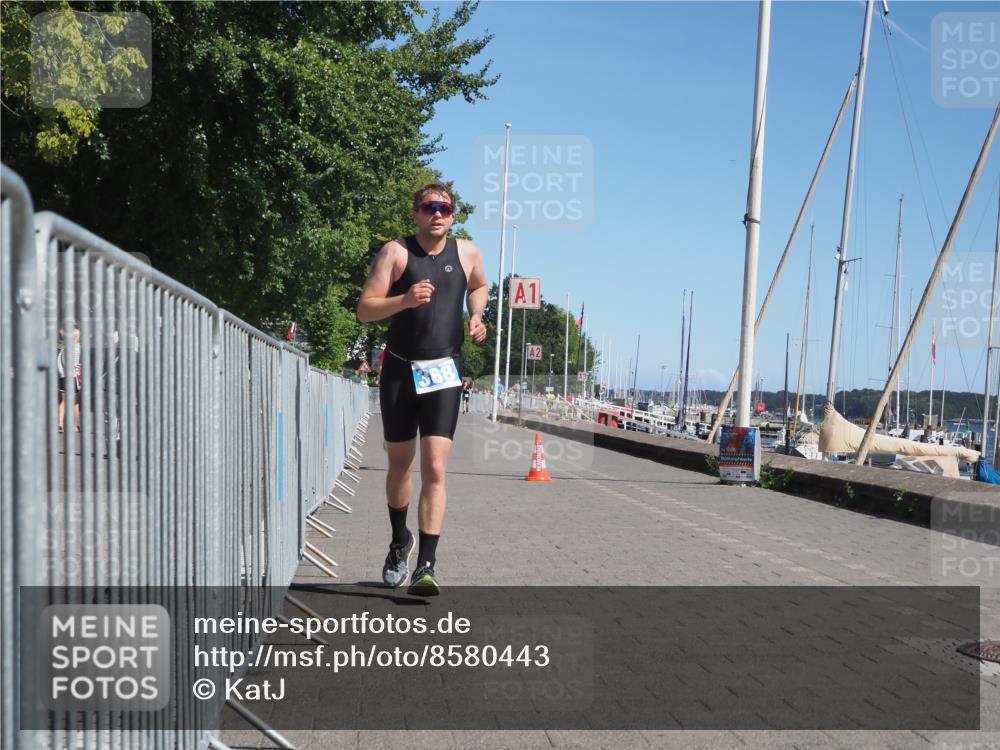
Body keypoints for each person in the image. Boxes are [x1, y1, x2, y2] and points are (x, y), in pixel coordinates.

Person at [357, 183, 488, 595]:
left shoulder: (467, 252)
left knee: (435, 467)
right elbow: (364, 309)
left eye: (446, 208)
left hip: (444, 372)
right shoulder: (395, 252)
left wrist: (477, 315)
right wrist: (404, 300)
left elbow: (479, 286)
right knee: (399, 465)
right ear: (415, 214)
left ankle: (426, 565)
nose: (438, 214)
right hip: (399, 371)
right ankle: (400, 541)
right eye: (430, 207)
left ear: (453, 215)